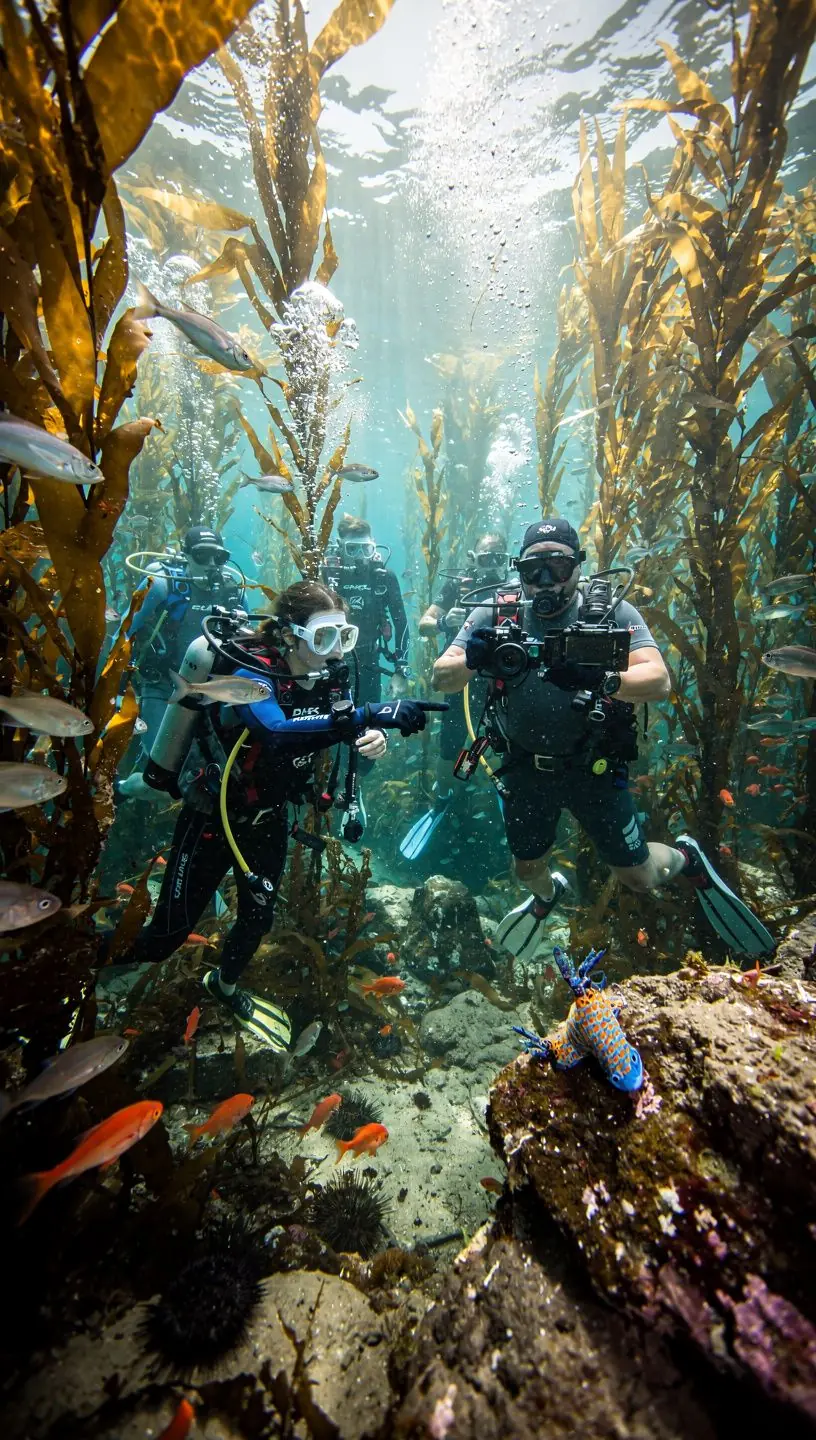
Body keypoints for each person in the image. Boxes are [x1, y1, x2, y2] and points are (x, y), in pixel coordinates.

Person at [117, 580, 445, 1047]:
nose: (335, 653)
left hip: (270, 817)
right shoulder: (250, 668)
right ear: (291, 634)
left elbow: (338, 724)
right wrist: (371, 715)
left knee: (258, 917)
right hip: (215, 818)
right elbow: (276, 729)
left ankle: (223, 986)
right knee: (166, 936)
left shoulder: (329, 675)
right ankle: (76, 965)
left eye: (343, 638)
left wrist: (370, 736)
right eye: (323, 638)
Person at [433, 517, 774, 960]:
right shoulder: (497, 613)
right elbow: (443, 677)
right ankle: (546, 894)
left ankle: (686, 858)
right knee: (527, 869)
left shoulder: (611, 610)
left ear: (578, 567)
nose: (544, 581)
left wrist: (604, 679)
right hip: (524, 769)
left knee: (640, 877)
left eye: (558, 567)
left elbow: (658, 680)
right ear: (518, 570)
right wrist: (474, 655)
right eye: (533, 569)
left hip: (594, 767)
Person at [401, 532, 511, 860]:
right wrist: (442, 623)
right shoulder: (455, 587)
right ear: (472, 557)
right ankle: (444, 796)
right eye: (484, 558)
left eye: (497, 559)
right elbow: (423, 623)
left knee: (509, 741)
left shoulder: (514, 587)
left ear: (506, 559)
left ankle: (510, 792)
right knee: (453, 744)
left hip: (506, 682)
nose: (490, 566)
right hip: (464, 684)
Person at [127, 526, 244, 757]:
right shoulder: (164, 583)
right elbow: (126, 628)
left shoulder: (233, 591)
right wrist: (116, 684)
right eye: (202, 554)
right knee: (158, 760)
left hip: (211, 690)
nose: (211, 563)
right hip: (161, 683)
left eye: (218, 556)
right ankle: (129, 784)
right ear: (186, 554)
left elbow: (248, 640)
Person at [324, 515, 410, 706]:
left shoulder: (384, 577)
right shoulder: (327, 575)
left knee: (368, 725)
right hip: (329, 662)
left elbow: (400, 622)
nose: (360, 556)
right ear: (340, 547)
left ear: (374, 547)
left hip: (370, 661)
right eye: (352, 549)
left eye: (366, 548)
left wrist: (401, 667)